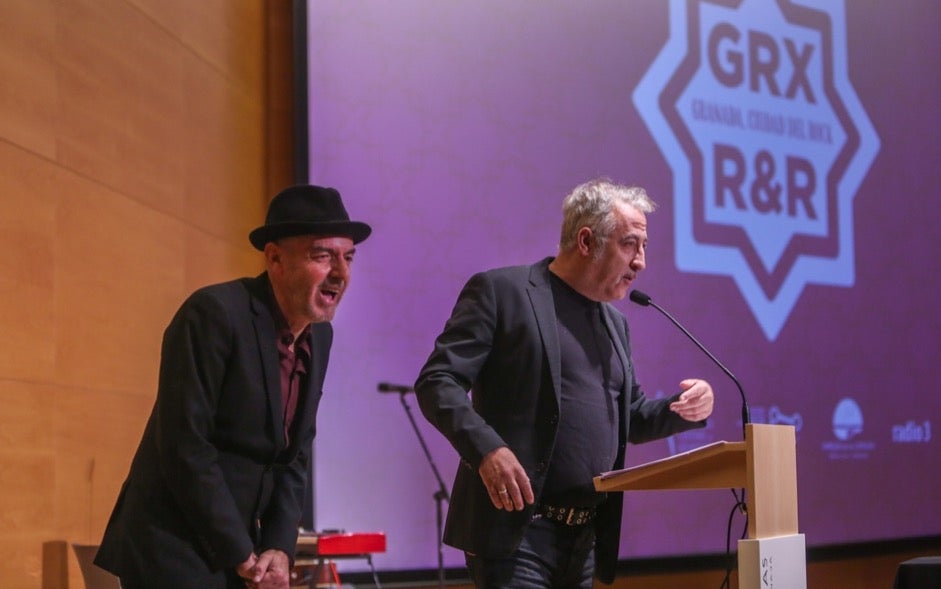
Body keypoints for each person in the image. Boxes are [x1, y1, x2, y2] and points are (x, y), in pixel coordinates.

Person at [415, 178, 715, 588]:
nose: (641, 261)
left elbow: (632, 418)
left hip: (584, 538)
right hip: (518, 534)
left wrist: (685, 408)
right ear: (587, 241)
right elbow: (438, 381)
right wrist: (487, 450)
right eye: (630, 244)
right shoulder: (504, 292)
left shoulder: (616, 325)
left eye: (644, 246)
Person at [95, 185, 371, 589]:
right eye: (322, 255)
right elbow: (185, 447)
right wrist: (241, 553)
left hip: (240, 550)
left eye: (348, 257)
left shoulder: (319, 338)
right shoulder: (213, 315)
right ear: (275, 258)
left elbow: (295, 454)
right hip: (172, 547)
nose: (341, 273)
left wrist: (279, 545)